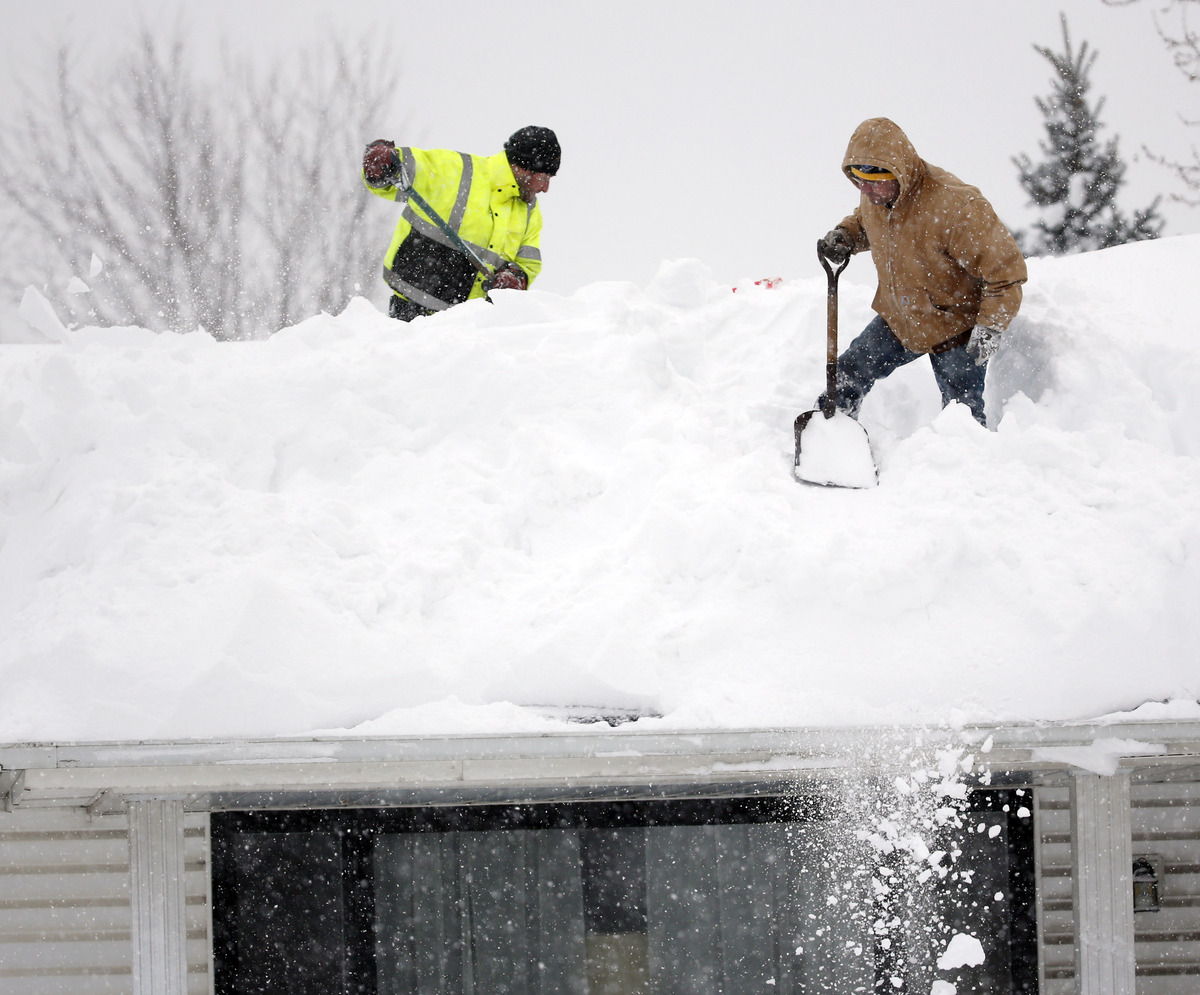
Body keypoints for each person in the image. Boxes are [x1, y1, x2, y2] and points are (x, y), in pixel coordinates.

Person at [816, 118, 1027, 426]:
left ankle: (969, 464)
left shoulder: (957, 205)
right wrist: (845, 236)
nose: (865, 191)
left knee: (962, 416)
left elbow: (1006, 274)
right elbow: (866, 222)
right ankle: (830, 432)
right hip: (900, 318)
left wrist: (990, 328)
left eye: (873, 182)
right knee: (848, 373)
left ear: (897, 171)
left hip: (955, 327)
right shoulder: (877, 194)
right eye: (858, 181)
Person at [361, 126, 560, 321]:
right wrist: (382, 161)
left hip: (470, 326)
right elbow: (398, 171)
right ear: (522, 168)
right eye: (543, 178)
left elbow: (528, 263)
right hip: (413, 316)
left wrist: (515, 277)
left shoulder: (529, 211)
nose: (545, 188)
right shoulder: (456, 170)